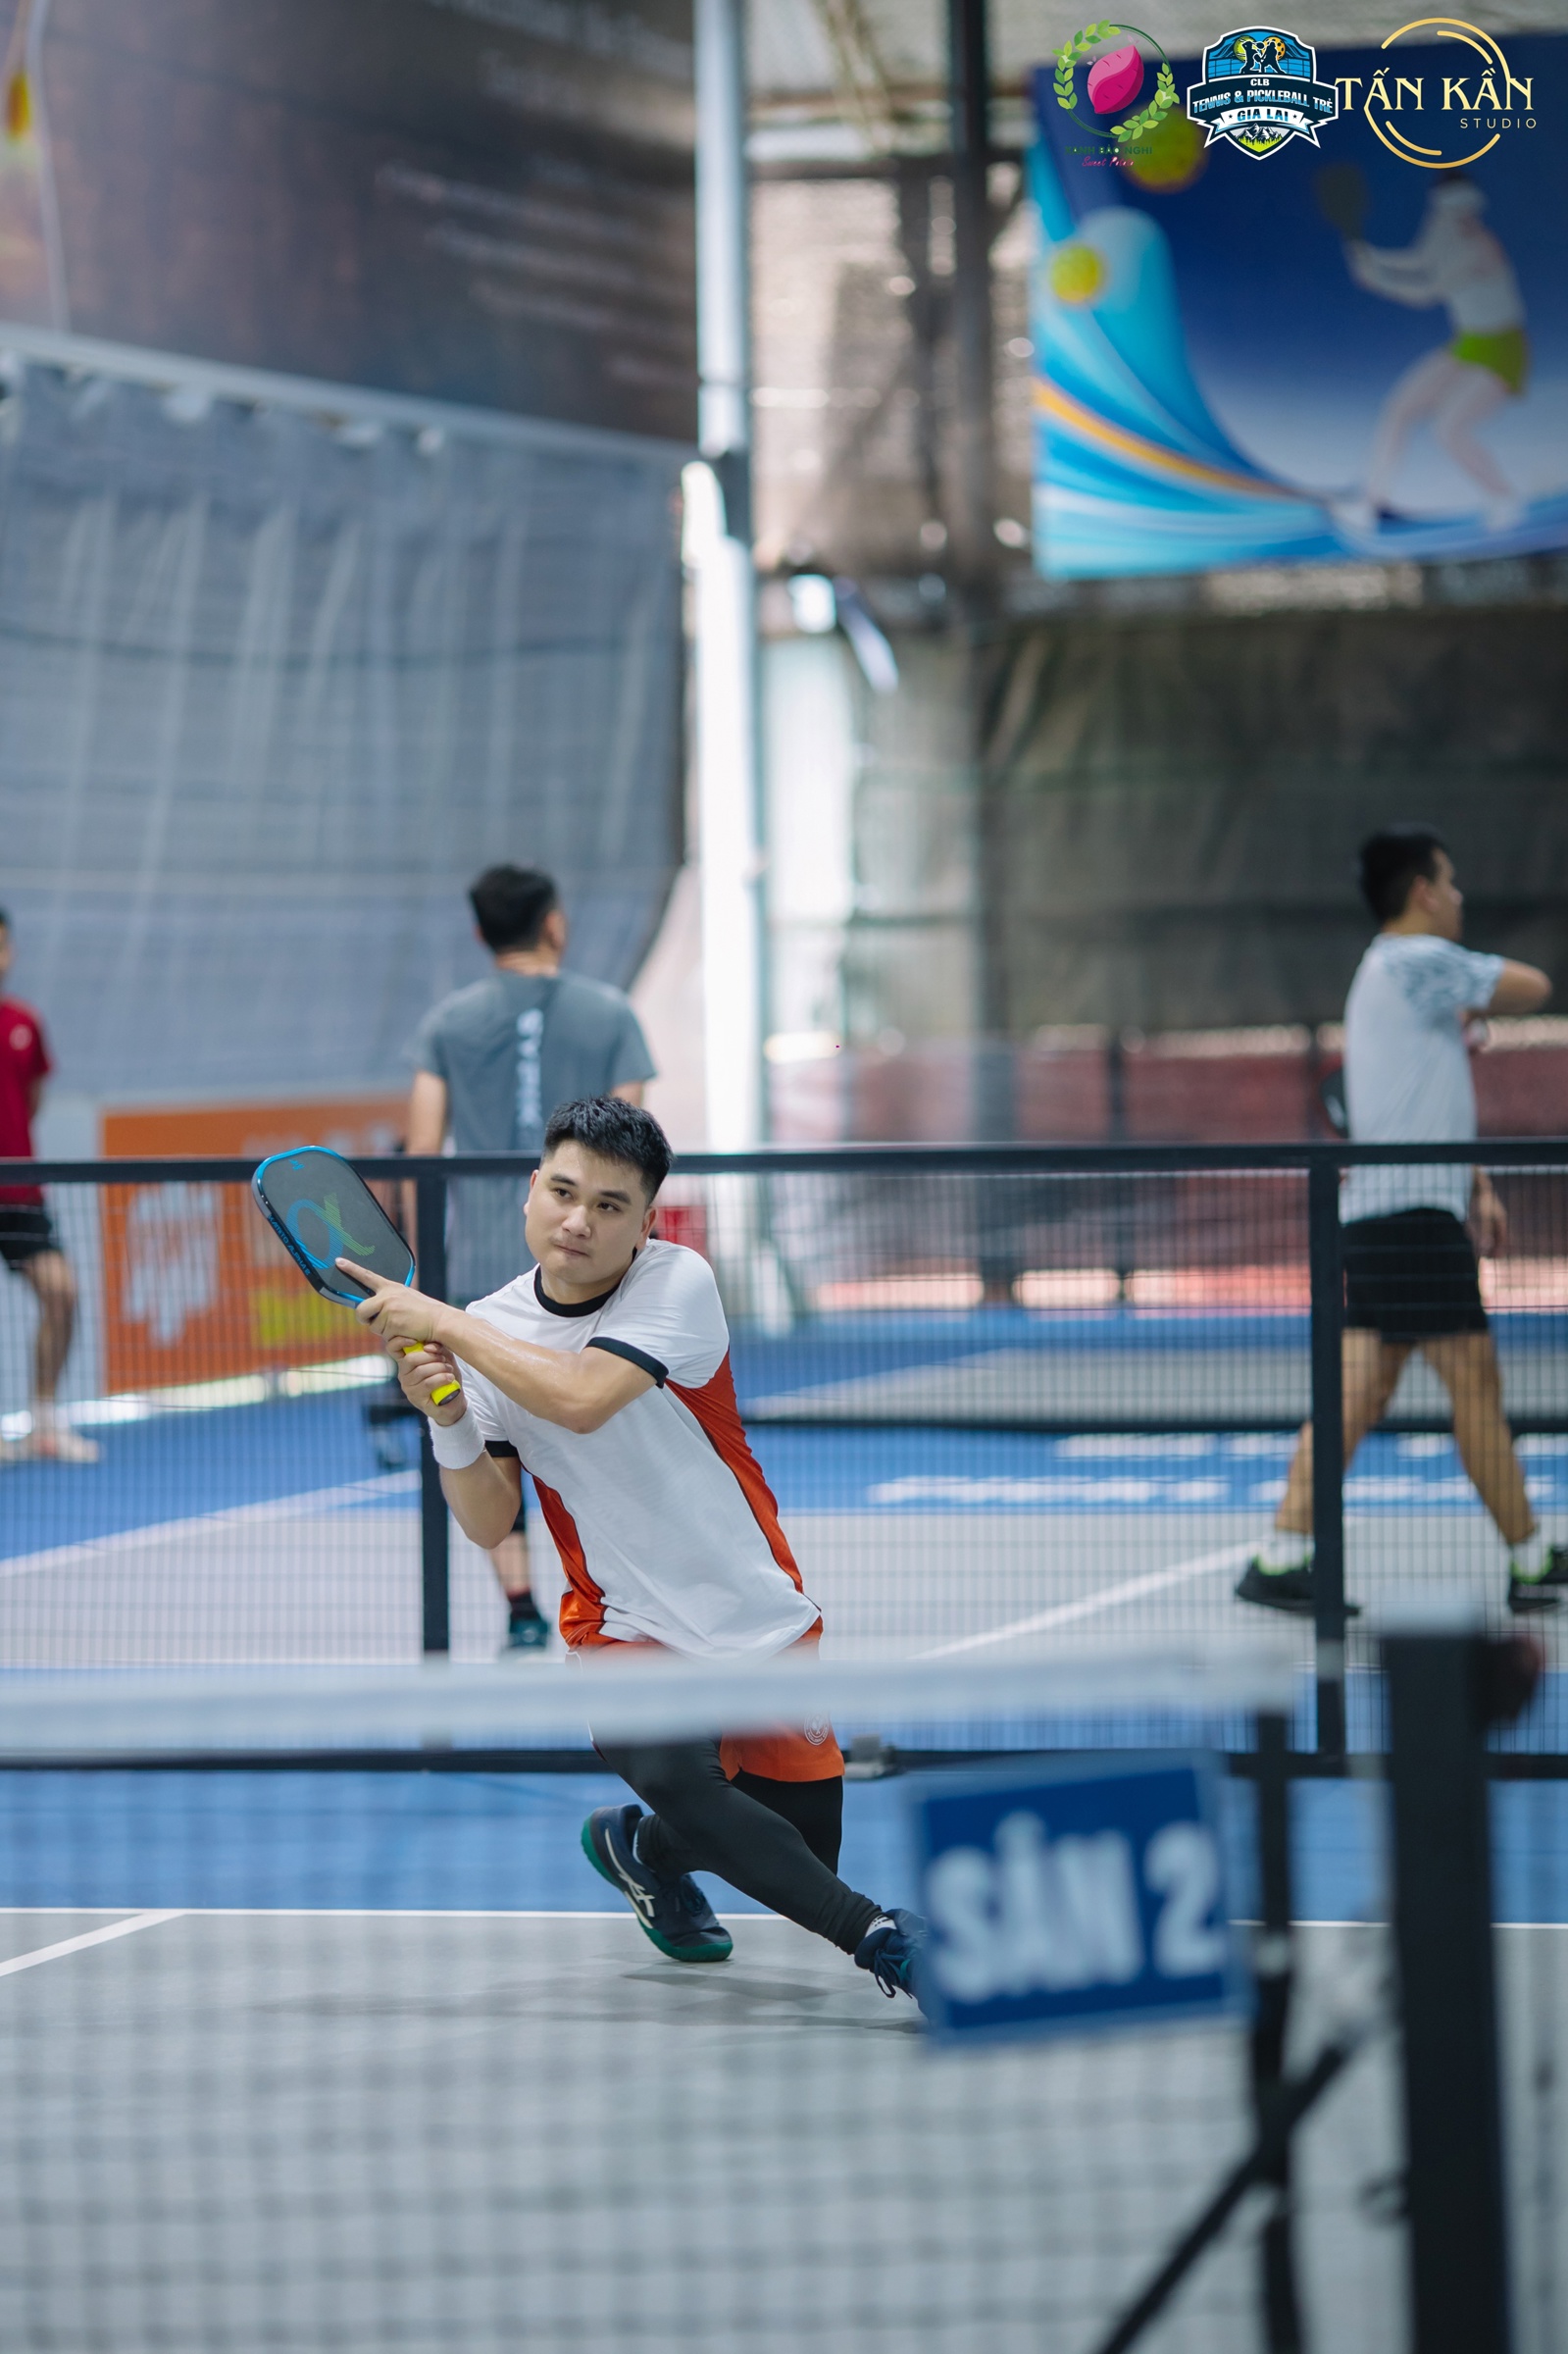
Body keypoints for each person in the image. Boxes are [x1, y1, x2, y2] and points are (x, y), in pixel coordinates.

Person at [346, 1096, 925, 2001]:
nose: (578, 1221)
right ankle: (886, 1940)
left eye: (609, 1205)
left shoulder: (675, 1281)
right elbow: (489, 1523)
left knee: (804, 1846)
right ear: (531, 1190)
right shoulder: (491, 1327)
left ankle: (639, 1848)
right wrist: (448, 1417)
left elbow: (579, 1397)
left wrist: (446, 1324)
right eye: (563, 1192)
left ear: (646, 1222)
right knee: (711, 1802)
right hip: (621, 1626)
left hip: (750, 1609)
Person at [1237, 826, 1558, 1620]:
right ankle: (1531, 1560)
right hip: (1409, 1221)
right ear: (1421, 891)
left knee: (1357, 1394)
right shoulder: (1414, 960)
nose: (1457, 896)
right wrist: (1471, 996)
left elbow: (1421, 1099)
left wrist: (1475, 1184)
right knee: (1473, 1385)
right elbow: (1533, 986)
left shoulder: (1393, 977)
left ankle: (1279, 1556)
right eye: (1448, 882)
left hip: (1387, 1216)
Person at [406, 866, 656, 1651]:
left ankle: (521, 1607)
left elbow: (422, 1150)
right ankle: (628, 1598)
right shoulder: (610, 1013)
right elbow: (634, 1146)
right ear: (554, 924)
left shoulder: (446, 1022)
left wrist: (424, 1271)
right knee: (608, 1428)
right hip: (593, 1271)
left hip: (481, 1260)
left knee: (494, 1442)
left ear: (481, 933)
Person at [1334, 178, 1529, 537]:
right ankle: (1370, 505)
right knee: (1398, 409)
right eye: (1454, 211)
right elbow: (1419, 260)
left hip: (1502, 349)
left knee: (1449, 429)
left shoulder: (1481, 246)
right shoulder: (1442, 229)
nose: (1463, 218)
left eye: (1467, 210)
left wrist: (1377, 278)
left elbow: (1427, 292)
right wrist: (1371, 256)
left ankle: (1504, 499)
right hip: (1468, 344)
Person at [0, 908, 98, 1463]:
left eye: (2, 946)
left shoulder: (25, 1023)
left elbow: (31, 1101)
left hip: (20, 1192)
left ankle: (44, 1422)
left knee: (62, 1293)